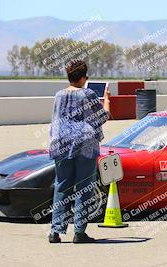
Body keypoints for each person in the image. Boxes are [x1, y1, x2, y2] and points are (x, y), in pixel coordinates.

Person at [48, 59, 110, 243]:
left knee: (62, 186)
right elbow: (103, 117)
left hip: (61, 144)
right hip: (85, 146)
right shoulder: (88, 94)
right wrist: (106, 100)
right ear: (83, 77)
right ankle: (79, 232)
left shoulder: (59, 95)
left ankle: (55, 231)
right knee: (85, 187)